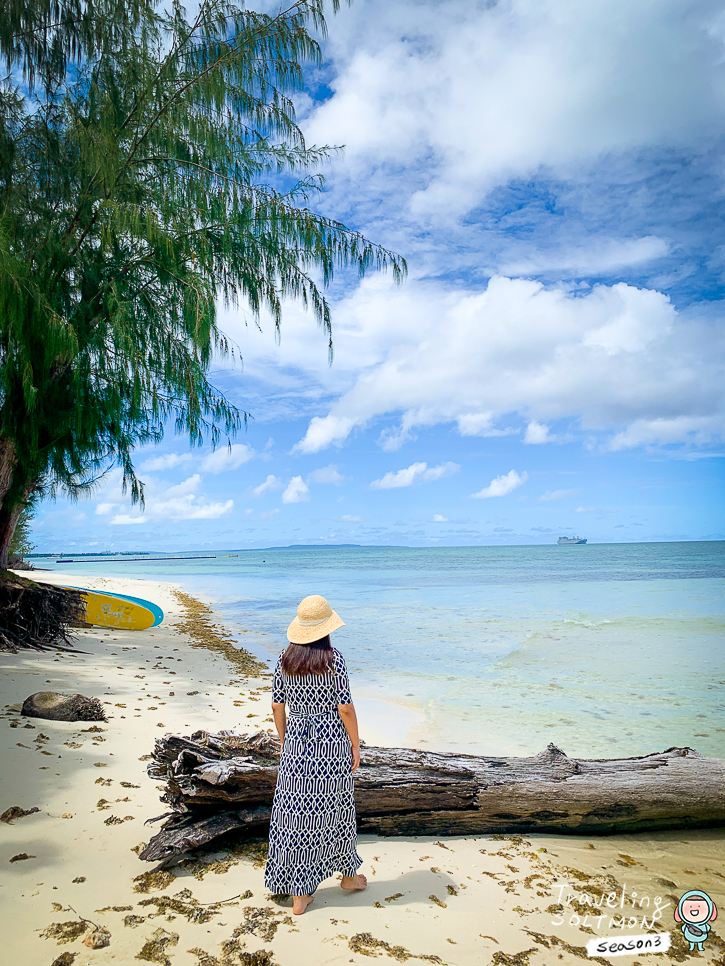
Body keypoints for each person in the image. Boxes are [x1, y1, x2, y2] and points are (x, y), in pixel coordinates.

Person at [264, 594, 367, 915]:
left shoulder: (284, 659)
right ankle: (346, 877)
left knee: (294, 812)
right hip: (330, 741)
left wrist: (285, 740)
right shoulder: (333, 660)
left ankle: (298, 892)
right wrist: (355, 744)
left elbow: (277, 705)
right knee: (335, 807)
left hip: (296, 739)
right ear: (326, 629)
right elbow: (345, 708)